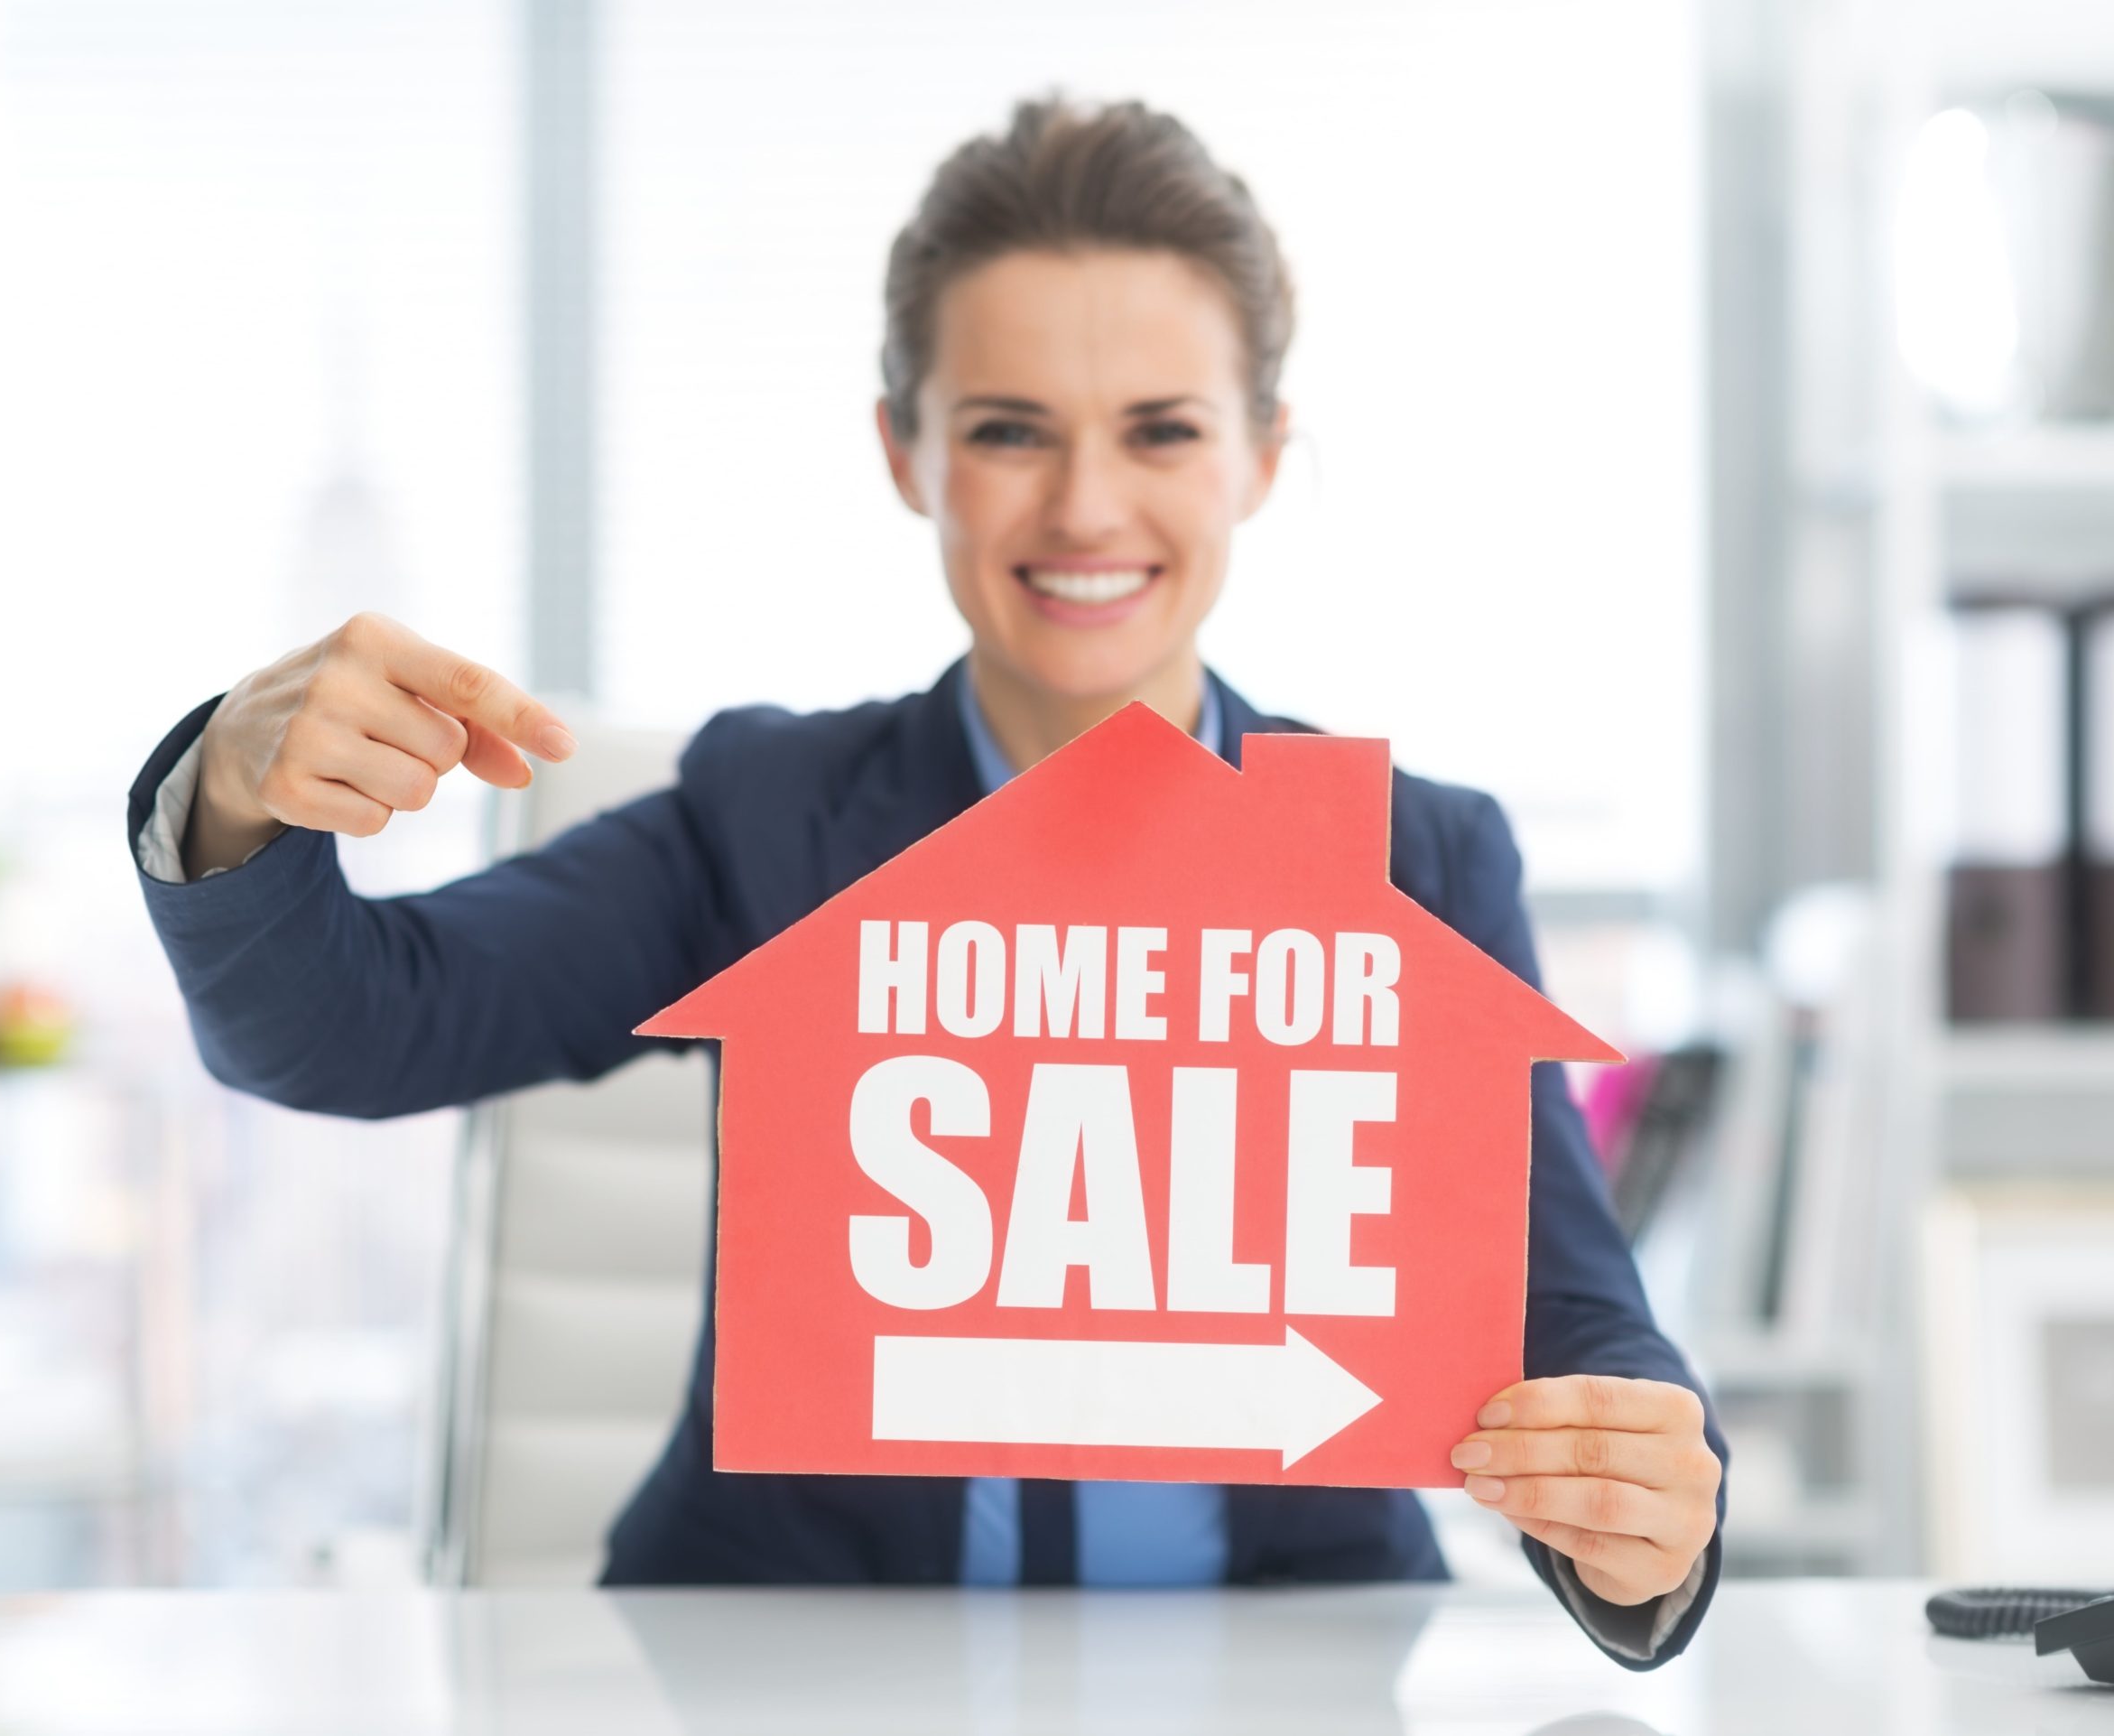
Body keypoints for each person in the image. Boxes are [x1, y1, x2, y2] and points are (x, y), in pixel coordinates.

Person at [128, 92, 1726, 1668]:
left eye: (1161, 429)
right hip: (792, 1675)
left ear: (1261, 456)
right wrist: (237, 798)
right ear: (907, 452)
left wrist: (1642, 1513)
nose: (1086, 507)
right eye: (1009, 430)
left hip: (1280, 1672)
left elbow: (1580, 1324)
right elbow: (347, 1029)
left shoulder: (1419, 862)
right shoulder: (769, 822)